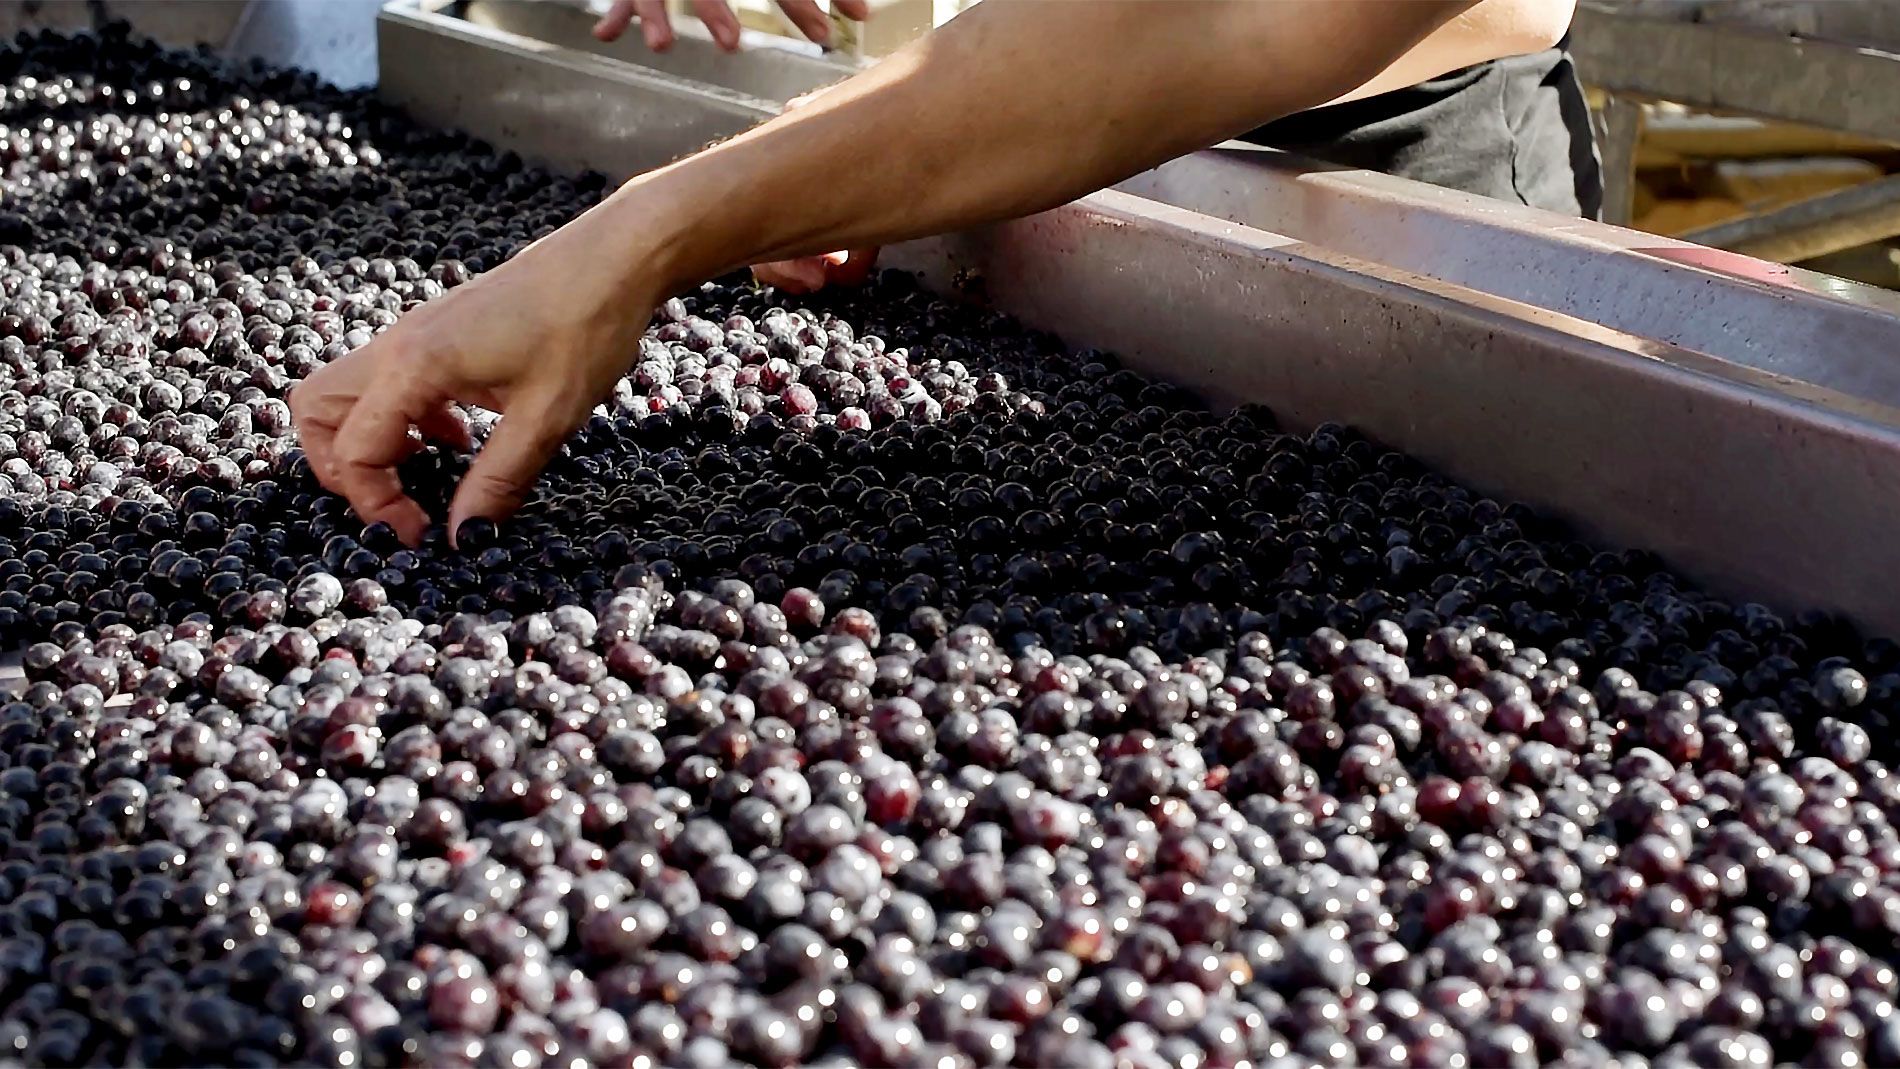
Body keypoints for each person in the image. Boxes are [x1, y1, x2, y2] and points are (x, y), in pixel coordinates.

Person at [291, 0, 1587, 546]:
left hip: (1386, 153)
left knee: (1415, 523)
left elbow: (1235, 18)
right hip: (1024, 95)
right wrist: (873, 150)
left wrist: (643, 233)